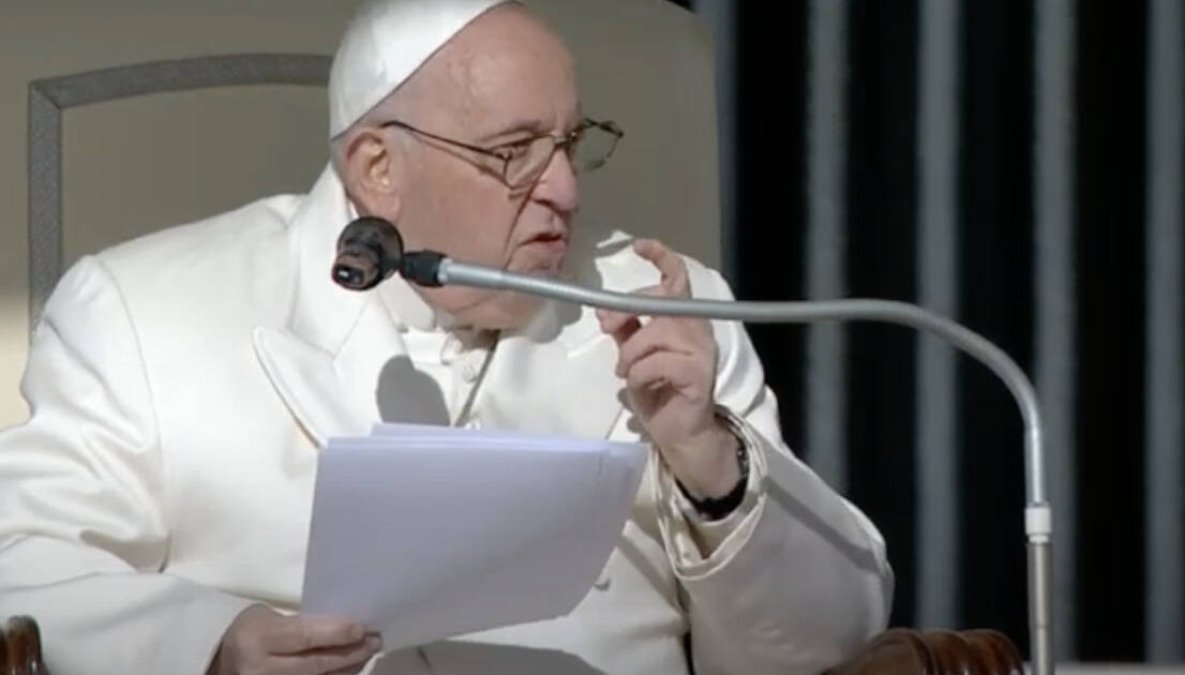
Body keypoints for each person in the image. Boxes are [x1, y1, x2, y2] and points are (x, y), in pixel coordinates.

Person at [0, 1, 893, 673]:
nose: (564, 189)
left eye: (571, 142)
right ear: (378, 167)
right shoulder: (148, 308)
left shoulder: (663, 308)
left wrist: (709, 460)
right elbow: (18, 561)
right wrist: (214, 643)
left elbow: (829, 639)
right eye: (515, 152)